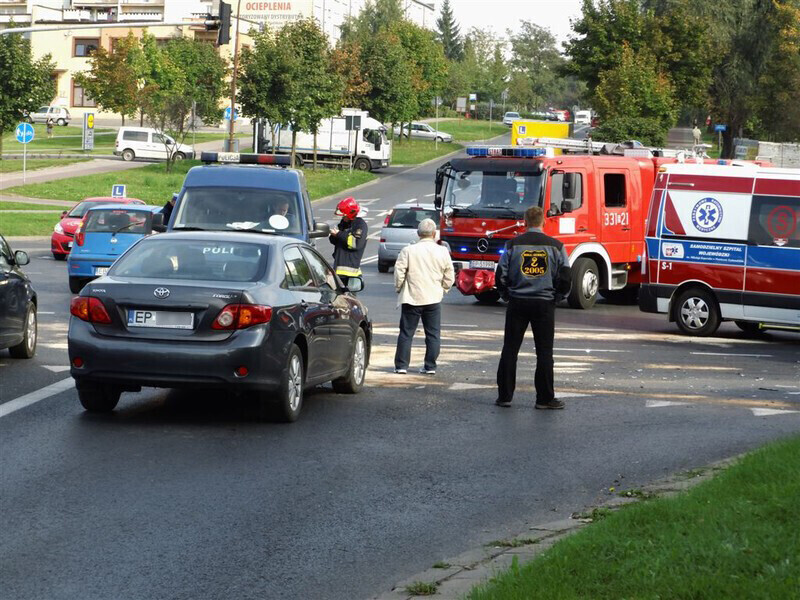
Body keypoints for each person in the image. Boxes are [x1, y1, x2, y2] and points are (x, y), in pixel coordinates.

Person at [494, 206, 572, 410]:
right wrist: (557, 297)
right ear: (543, 221)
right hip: (544, 303)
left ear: (525, 222)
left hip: (518, 301)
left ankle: (505, 396)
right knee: (544, 351)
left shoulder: (512, 245)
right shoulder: (556, 246)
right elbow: (566, 275)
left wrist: (506, 295)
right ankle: (544, 398)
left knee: (510, 349)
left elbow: (500, 274)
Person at [393, 218, 455, 375]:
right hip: (433, 297)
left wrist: (399, 288)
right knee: (433, 334)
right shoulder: (442, 251)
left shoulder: (408, 250)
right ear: (434, 234)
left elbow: (399, 272)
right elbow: (449, 275)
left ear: (418, 233)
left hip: (412, 296)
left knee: (406, 333)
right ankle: (430, 366)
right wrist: (443, 289)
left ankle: (401, 365)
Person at [329, 197, 367, 287]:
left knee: (349, 295)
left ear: (350, 214)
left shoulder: (360, 225)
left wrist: (339, 234)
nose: (343, 217)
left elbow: (356, 243)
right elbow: (336, 241)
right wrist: (334, 235)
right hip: (339, 271)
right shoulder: (344, 223)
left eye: (344, 215)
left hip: (351, 274)